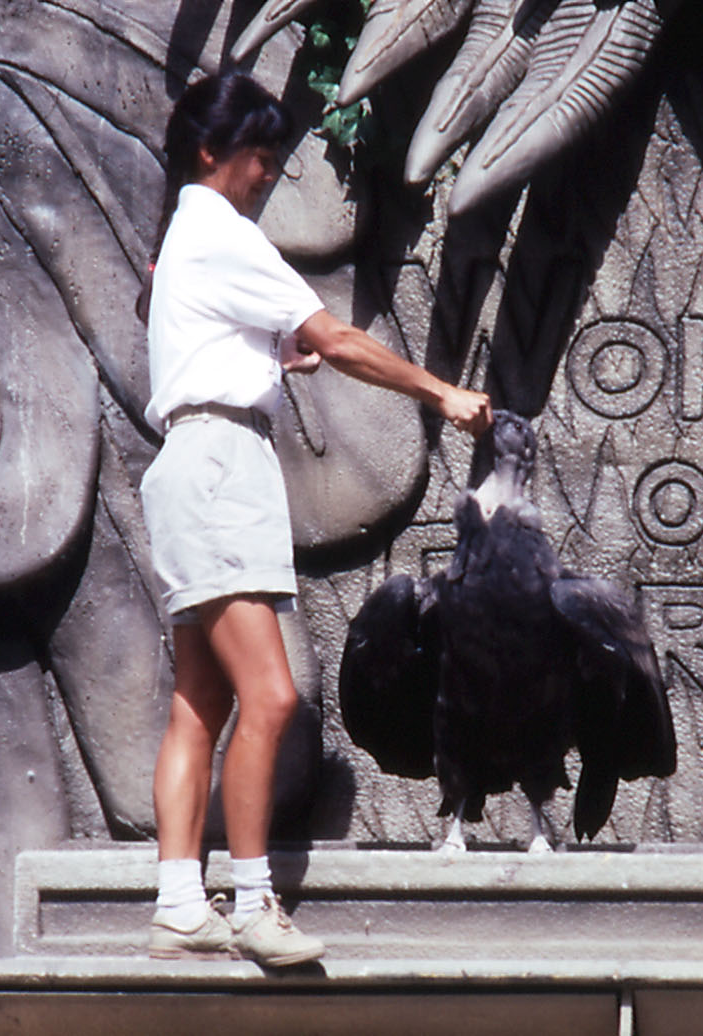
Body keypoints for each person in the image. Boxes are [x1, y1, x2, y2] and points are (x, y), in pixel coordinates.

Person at [140, 70, 492, 968]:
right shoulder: (220, 232)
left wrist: (268, 355)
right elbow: (337, 337)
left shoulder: (186, 234)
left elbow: (229, 338)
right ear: (213, 153)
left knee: (200, 701)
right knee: (272, 696)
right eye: (261, 158)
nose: (268, 175)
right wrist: (440, 391)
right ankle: (256, 901)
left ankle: (182, 904)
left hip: (193, 461)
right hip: (221, 468)